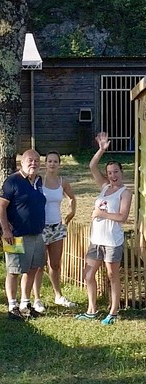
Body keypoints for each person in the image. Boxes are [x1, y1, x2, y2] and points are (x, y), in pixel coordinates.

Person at [77, 132, 131, 324]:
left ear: (121, 172)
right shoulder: (104, 187)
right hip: (96, 240)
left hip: (112, 241)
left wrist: (102, 215)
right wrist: (101, 150)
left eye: (116, 172)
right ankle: (91, 310)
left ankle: (113, 312)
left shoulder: (125, 193)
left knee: (111, 275)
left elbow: (122, 217)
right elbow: (92, 166)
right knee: (88, 274)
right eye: (109, 173)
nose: (112, 176)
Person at [0, 148, 47, 320]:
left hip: (36, 234)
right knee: (13, 270)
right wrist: (6, 230)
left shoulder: (39, 181)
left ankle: (26, 303)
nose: (34, 163)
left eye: (37, 161)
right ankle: (12, 306)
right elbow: (1, 207)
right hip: (15, 235)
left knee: (33, 268)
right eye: (30, 161)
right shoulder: (12, 181)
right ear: (22, 163)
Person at [31, 151, 77, 311]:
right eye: (49, 161)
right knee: (38, 264)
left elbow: (72, 198)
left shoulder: (62, 182)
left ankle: (58, 295)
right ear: (45, 163)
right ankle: (37, 299)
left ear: (59, 164)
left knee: (55, 264)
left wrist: (70, 215)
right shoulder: (38, 181)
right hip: (41, 227)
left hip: (57, 226)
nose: (52, 164)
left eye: (55, 161)